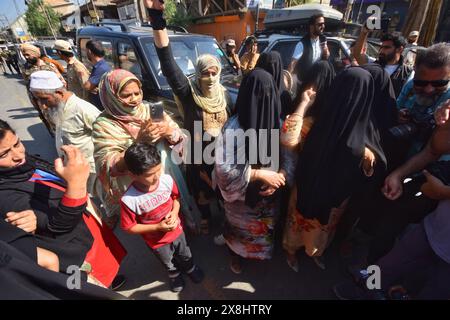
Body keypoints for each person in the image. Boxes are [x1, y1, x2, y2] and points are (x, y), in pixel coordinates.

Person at [0, 120, 126, 287]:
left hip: (82, 227)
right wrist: (77, 184)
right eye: (4, 154)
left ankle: (110, 280)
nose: (18, 155)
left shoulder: (24, 163)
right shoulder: (4, 195)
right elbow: (56, 226)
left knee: (105, 265)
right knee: (90, 286)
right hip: (71, 254)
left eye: (17, 143)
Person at [147, 1, 232, 234]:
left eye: (215, 73)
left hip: (221, 155)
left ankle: (225, 215)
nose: (211, 78)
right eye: (206, 73)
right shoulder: (188, 92)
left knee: (222, 191)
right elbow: (167, 61)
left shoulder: (226, 97)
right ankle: (205, 217)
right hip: (197, 155)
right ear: (198, 73)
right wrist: (156, 18)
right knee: (201, 190)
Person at [293, 67, 386, 270]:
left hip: (336, 199)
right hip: (307, 188)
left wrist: (369, 158)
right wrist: (304, 104)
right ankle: (291, 251)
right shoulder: (316, 119)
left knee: (323, 230)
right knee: (298, 224)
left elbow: (373, 172)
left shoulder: (368, 128)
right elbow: (288, 139)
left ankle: (315, 251)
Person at [92, 69, 200, 232]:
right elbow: (107, 165)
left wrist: (169, 132)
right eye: (127, 95)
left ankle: (184, 231)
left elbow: (180, 136)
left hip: (166, 170)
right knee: (155, 217)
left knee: (176, 201)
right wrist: (139, 142)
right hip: (139, 181)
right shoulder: (104, 124)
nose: (135, 99)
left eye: (137, 93)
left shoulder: (150, 109)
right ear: (112, 96)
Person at [215, 67, 288, 274]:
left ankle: (257, 253)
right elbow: (223, 169)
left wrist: (281, 176)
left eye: (268, 94)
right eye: (258, 95)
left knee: (262, 230)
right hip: (240, 201)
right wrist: (259, 173)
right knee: (237, 233)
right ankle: (235, 256)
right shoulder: (232, 128)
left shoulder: (279, 122)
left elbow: (289, 157)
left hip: (269, 196)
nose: (263, 100)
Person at [120, 142, 204, 292]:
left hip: (177, 231)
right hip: (157, 241)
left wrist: (174, 212)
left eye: (158, 170)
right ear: (132, 175)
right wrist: (157, 227)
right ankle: (174, 274)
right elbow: (129, 227)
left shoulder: (166, 180)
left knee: (185, 252)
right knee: (168, 261)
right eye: (150, 175)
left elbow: (176, 199)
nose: (156, 177)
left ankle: (190, 268)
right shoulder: (129, 200)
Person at [334, 199, 450, 300]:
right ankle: (362, 289)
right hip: (434, 226)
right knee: (388, 264)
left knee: (433, 292)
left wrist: (442, 190)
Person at [29, 70, 102, 201]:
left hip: (91, 170)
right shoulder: (57, 107)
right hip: (70, 168)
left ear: (59, 93)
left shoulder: (84, 110)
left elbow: (105, 137)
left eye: (45, 99)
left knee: (94, 200)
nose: (43, 106)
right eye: (38, 100)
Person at [394, 43, 450, 163]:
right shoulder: (410, 87)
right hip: (400, 155)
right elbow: (395, 108)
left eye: (439, 83)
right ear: (415, 70)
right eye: (421, 83)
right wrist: (398, 114)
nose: (429, 89)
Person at [353, 26, 413, 97]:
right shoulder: (373, 65)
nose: (381, 51)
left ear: (399, 49)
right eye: (381, 47)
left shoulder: (408, 73)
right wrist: (364, 32)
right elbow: (357, 54)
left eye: (386, 47)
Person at [19, 43, 65, 135]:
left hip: (54, 100)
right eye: (25, 56)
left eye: (28, 55)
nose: (26, 57)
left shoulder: (49, 66)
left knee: (62, 120)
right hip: (40, 103)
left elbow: (62, 82)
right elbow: (29, 88)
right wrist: (35, 103)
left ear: (35, 54)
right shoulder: (25, 68)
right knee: (49, 122)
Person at [289, 14, 330, 82]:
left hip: (318, 81)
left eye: (323, 24)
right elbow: (293, 64)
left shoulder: (323, 39)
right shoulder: (302, 43)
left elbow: (326, 56)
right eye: (320, 24)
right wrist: (286, 79)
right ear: (311, 27)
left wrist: (327, 53)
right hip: (304, 82)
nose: (323, 26)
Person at [84, 40, 112, 110]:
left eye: (86, 51)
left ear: (89, 52)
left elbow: (87, 86)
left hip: (100, 108)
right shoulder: (100, 66)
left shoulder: (100, 68)